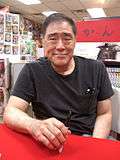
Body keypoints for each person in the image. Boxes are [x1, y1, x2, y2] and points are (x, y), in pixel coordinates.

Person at [3, 13, 114, 151]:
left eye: (67, 38)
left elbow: (105, 113)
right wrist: (34, 125)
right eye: (53, 39)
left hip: (88, 138)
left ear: (75, 41)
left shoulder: (96, 68)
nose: (60, 46)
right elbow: (11, 111)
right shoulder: (32, 71)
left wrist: (94, 145)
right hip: (46, 140)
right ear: (43, 41)